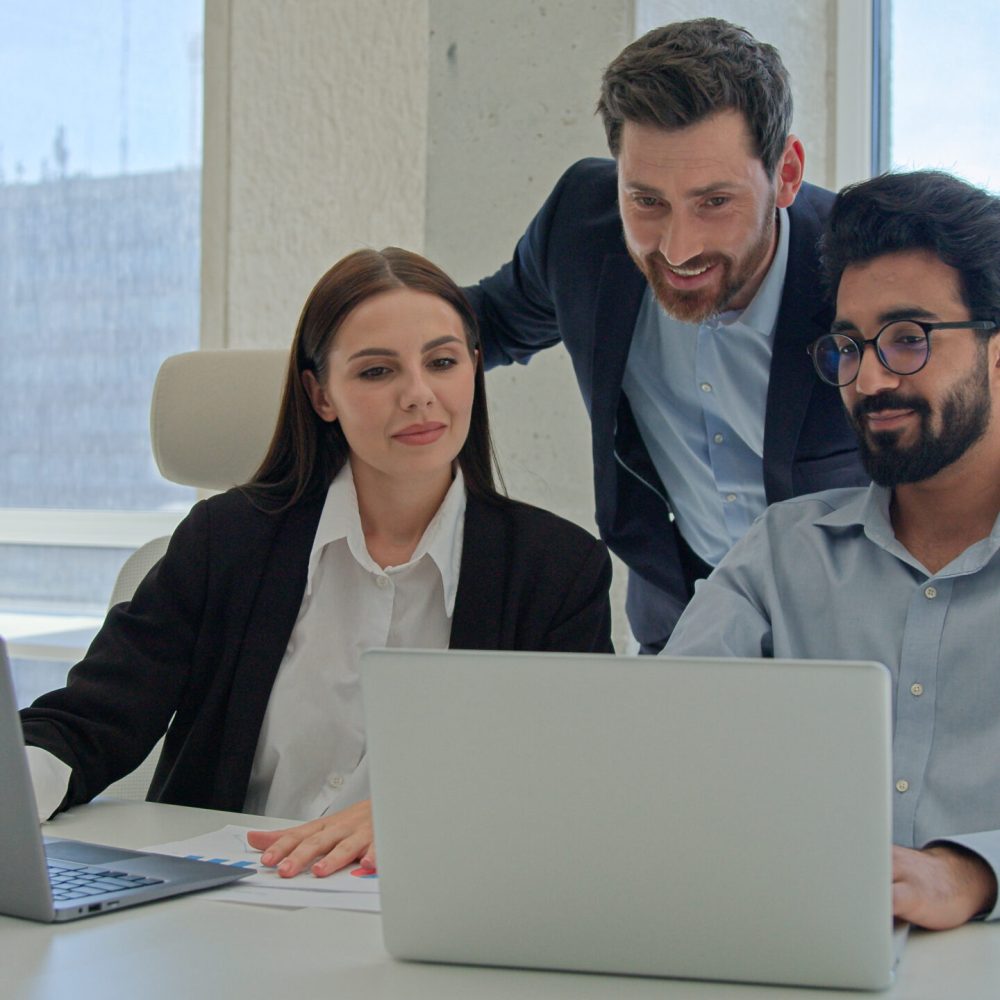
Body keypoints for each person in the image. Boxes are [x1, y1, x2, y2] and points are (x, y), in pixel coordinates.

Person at [20, 247, 614, 872]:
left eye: (441, 362)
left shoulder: (555, 570)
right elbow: (87, 723)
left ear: (473, 369)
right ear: (321, 394)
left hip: (430, 906)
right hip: (220, 909)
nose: (418, 395)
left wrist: (424, 809)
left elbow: (573, 778)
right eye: (376, 372)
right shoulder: (226, 541)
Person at [465, 18, 867, 653]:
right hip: (679, 629)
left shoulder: (868, 265)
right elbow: (480, 325)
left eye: (714, 202)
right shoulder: (583, 225)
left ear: (786, 174)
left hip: (855, 641)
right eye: (647, 202)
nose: (678, 249)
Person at [664, 170, 1000, 930]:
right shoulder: (783, 555)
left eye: (910, 339)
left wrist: (976, 873)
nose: (870, 379)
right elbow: (657, 745)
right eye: (850, 346)